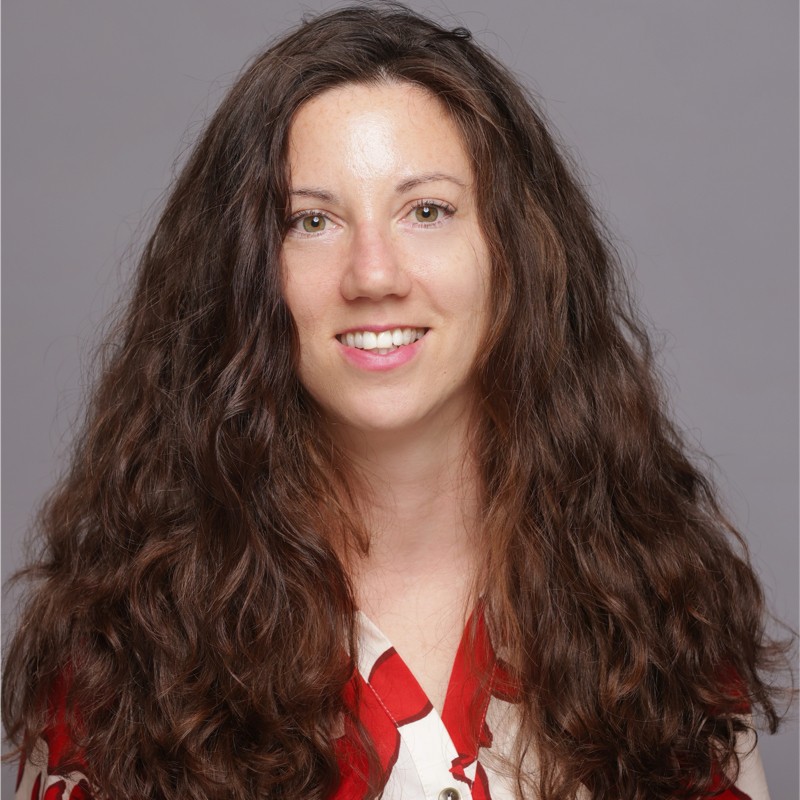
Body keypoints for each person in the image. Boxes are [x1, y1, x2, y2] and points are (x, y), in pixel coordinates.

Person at [3, 4, 792, 799]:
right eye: (311, 221)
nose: (373, 274)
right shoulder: (124, 652)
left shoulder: (656, 612)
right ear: (242, 276)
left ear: (515, 251)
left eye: (426, 211)